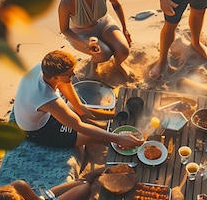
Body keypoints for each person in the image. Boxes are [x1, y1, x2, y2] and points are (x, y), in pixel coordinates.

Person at [13, 50, 142, 149]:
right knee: (85, 136)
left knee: (78, 108)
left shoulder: (44, 68)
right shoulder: (47, 99)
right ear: (55, 77)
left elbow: (65, 83)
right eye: (70, 74)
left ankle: (114, 117)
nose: (73, 76)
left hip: (39, 112)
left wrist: (79, 106)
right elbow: (81, 127)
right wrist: (117, 138)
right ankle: (117, 142)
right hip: (39, 131)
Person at [58, 0, 132, 80]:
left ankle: (118, 64)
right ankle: (94, 63)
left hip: (103, 24)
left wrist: (125, 29)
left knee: (123, 50)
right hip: (80, 33)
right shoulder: (67, 1)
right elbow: (64, 30)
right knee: (104, 54)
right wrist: (85, 43)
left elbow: (116, 5)